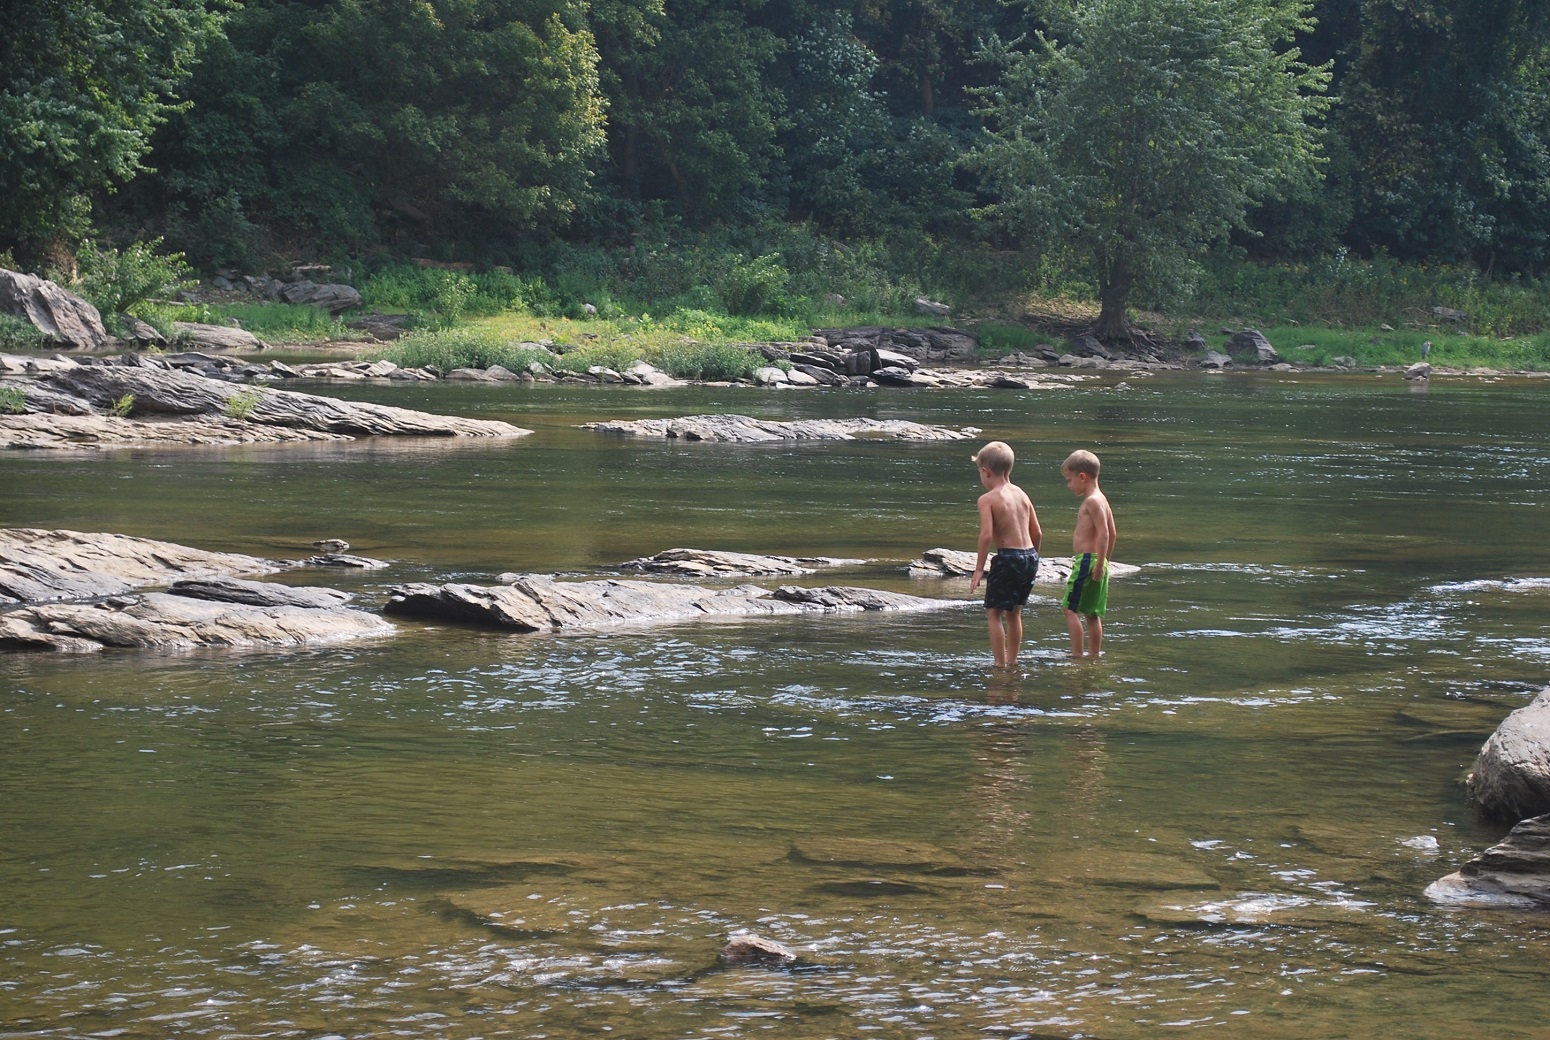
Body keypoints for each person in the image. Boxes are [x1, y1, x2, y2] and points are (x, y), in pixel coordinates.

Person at [968, 441, 1043, 669]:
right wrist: (1033, 558)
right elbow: (1037, 532)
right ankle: (1013, 661)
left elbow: (986, 535)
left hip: (1008, 557)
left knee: (994, 613)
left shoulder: (987, 499)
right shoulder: (1022, 494)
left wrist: (979, 568)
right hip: (1030, 556)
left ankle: (1000, 665)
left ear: (985, 472)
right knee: (1015, 612)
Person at [1060, 449, 1117, 659]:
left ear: (1082, 477)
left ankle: (1077, 655)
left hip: (1087, 561)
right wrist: (1105, 562)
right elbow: (1113, 533)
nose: (1069, 485)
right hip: (1097, 561)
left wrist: (1100, 563)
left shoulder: (1092, 501)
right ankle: (1094, 656)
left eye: (1069, 480)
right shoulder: (1102, 499)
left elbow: (1104, 533)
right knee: (1092, 613)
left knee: (1069, 608)